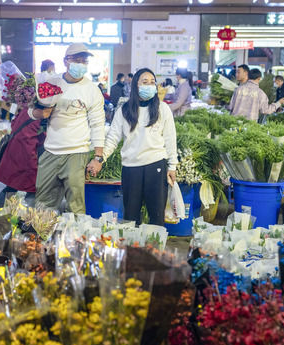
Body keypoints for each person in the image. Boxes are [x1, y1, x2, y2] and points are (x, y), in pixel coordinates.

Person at [96, 68, 178, 225]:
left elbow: (170, 138)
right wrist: (101, 158)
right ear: (135, 85)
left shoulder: (163, 109)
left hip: (156, 165)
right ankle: (132, 248)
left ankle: (155, 248)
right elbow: (113, 137)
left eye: (152, 82)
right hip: (131, 167)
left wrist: (172, 165)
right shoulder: (124, 110)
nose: (149, 85)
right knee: (131, 216)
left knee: (156, 215)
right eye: (145, 82)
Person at [32, 43, 105, 214]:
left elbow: (98, 124)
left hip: (76, 153)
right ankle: (42, 238)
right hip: (50, 152)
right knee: (43, 204)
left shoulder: (92, 90)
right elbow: (30, 111)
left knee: (75, 206)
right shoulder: (51, 83)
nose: (81, 64)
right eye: (76, 60)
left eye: (84, 61)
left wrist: (98, 157)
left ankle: (75, 239)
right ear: (66, 61)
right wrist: (39, 113)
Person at [0, 104, 46, 206]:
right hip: (27, 156)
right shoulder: (42, 116)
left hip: (15, 152)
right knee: (31, 189)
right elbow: (42, 138)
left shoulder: (26, 109)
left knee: (12, 185)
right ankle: (27, 216)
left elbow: (13, 123)